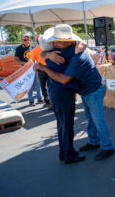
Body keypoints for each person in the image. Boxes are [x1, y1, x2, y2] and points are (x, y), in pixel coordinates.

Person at [36, 24, 115, 161]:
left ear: (69, 42)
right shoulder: (66, 50)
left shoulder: (77, 57)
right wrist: (47, 54)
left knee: (98, 119)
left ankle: (108, 147)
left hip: (93, 90)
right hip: (85, 89)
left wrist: (43, 68)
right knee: (90, 118)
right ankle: (93, 142)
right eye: (54, 41)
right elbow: (42, 52)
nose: (54, 43)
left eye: (58, 41)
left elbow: (64, 79)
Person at [35, 25, 85, 164]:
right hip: (64, 92)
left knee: (61, 123)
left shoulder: (52, 52)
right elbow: (83, 45)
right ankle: (69, 154)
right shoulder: (67, 51)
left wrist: (47, 55)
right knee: (67, 125)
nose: (60, 43)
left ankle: (63, 151)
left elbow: (41, 54)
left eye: (64, 41)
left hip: (54, 92)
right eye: (58, 41)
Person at [15, 34, 43, 106]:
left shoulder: (33, 48)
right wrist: (25, 63)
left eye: (28, 39)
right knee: (28, 85)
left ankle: (39, 99)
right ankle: (31, 101)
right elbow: (16, 60)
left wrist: (36, 63)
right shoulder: (19, 49)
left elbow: (37, 58)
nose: (27, 41)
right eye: (25, 40)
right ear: (22, 41)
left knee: (37, 84)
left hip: (34, 68)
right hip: (25, 69)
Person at [30, 35, 52, 110]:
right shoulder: (48, 48)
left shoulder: (34, 50)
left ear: (37, 42)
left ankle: (47, 102)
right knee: (50, 86)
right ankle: (51, 102)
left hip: (41, 69)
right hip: (49, 68)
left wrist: (35, 67)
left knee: (43, 87)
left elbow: (32, 60)